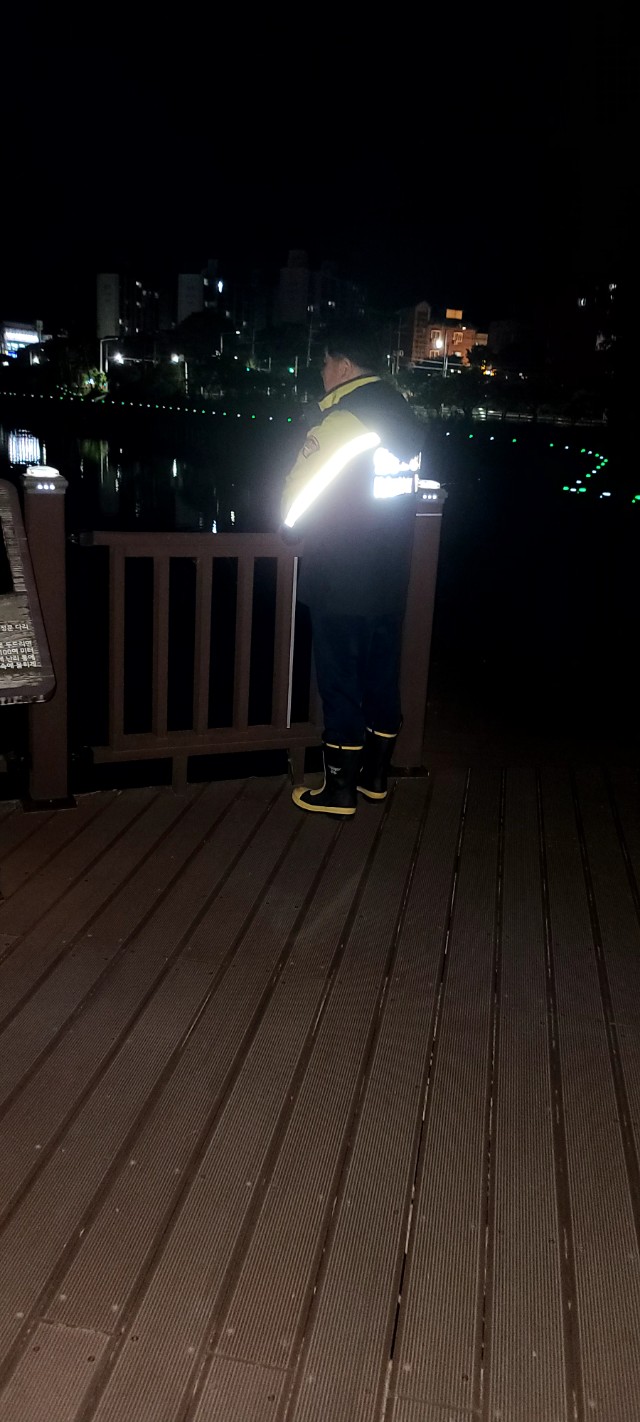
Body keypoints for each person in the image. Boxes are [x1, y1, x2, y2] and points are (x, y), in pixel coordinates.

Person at [281, 321, 426, 816]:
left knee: (339, 680)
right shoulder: (404, 415)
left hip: (341, 576)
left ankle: (338, 791)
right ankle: (375, 778)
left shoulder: (345, 420)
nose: (321, 373)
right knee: (381, 676)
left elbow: (295, 501)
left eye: (324, 363)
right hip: (389, 574)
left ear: (344, 366)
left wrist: (288, 525)